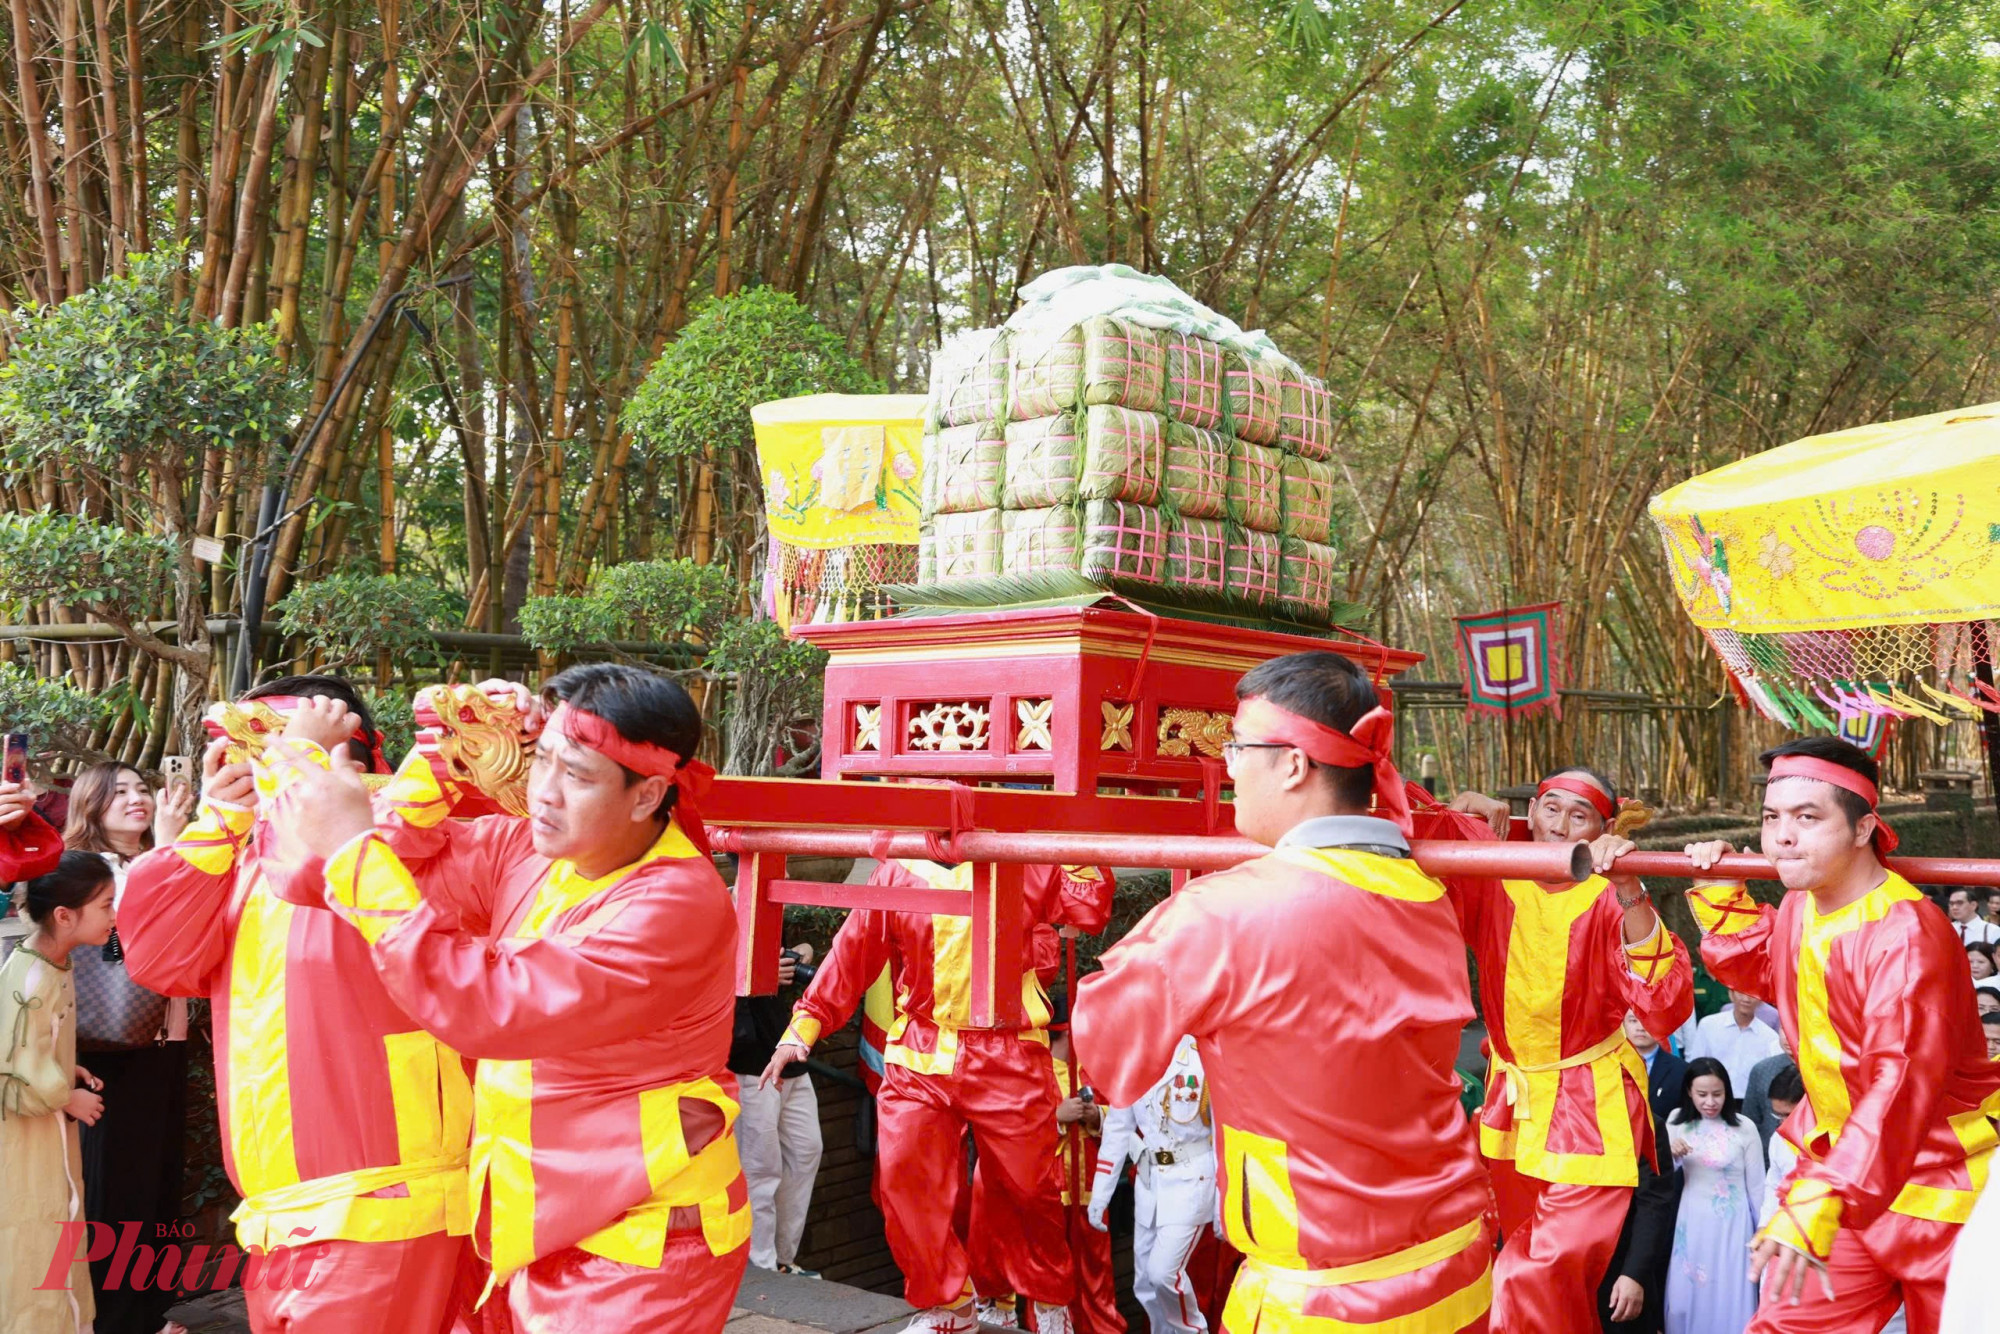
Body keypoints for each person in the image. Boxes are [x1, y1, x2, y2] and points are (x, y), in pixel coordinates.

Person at [276, 666, 752, 1330]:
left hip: (645, 1240)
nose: (544, 793)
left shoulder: (676, 901)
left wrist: (354, 849)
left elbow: (490, 1005)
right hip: (528, 1223)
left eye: (577, 776)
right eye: (542, 761)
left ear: (647, 796)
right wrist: (449, 759)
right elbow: (310, 875)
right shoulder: (529, 851)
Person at [1073, 651, 1495, 1334]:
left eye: (1238, 745)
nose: (1228, 766)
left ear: (1295, 764)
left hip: (1330, 1302)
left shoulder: (1222, 914)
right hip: (1457, 1267)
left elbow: (1108, 1055)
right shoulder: (1423, 893)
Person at [119, 677, 477, 1334]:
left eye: (273, 748)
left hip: (385, 1206)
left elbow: (340, 850)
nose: (261, 770)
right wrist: (217, 822)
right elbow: (161, 961)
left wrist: (307, 770)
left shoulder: (399, 837)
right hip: (280, 1219)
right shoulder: (249, 857)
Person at [1685, 735, 2000, 1332]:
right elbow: (1772, 970)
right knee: (1783, 1324)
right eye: (1772, 818)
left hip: (1943, 1181)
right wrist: (1724, 891)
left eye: (1808, 818)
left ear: (1863, 829)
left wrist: (1820, 1199)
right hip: (1842, 1174)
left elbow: (1898, 1083)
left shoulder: (1907, 933)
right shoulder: (1805, 904)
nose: (1782, 836)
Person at [763, 842, 1113, 1334]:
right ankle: (949, 1304)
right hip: (921, 1046)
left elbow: (1091, 908)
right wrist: (804, 1028)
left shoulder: (1027, 857)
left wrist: (1069, 834)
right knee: (903, 1177)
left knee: (1029, 1190)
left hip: (1009, 1049)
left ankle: (1049, 1300)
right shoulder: (897, 872)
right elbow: (852, 953)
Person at [1441, 769, 1694, 1333]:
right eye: (1550, 810)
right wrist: (1462, 810)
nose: (1559, 826)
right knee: (1539, 1275)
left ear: (1603, 829)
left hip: (1589, 1105)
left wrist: (1630, 889)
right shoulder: (1496, 871)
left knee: (1533, 1274)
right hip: (1512, 1097)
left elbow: (1664, 1006)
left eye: (1578, 817)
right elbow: (1414, 835)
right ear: (1530, 812)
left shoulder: (1610, 897)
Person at [60, 762, 195, 1334]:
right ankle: (115, 1320)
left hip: (166, 1038)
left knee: (157, 1178)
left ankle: (148, 1312)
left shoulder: (157, 859)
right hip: (108, 1047)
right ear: (90, 805)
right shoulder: (84, 870)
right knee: (114, 1188)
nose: (137, 799)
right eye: (118, 793)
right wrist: (168, 851)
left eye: (142, 788)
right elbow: (125, 937)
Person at [1, 852, 113, 1334]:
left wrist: (68, 1068)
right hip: (26, 1139)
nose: (115, 915)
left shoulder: (51, 963)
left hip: (44, 1134)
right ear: (65, 916)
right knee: (33, 1235)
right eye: (107, 905)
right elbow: (12, 1069)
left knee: (55, 1224)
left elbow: (33, 1043)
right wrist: (66, 1096)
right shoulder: (31, 976)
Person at [1088, 1034, 1215, 1334]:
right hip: (1150, 1182)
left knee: (1164, 1274)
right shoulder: (1131, 1059)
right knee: (1144, 1282)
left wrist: (1226, 1197)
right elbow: (1118, 1131)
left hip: (1191, 1179)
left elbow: (1224, 1131)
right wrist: (1100, 1194)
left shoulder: (1202, 1056)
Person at [730, 936, 824, 1277]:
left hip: (787, 1056)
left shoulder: (759, 910)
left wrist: (799, 953)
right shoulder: (710, 911)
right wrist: (749, 972)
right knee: (760, 1169)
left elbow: (798, 948)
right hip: (748, 1064)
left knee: (806, 1151)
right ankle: (762, 1264)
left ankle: (784, 1259)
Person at [1665, 1058, 1764, 1334]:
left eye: (1717, 1094)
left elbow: (1756, 1186)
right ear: (1689, 1092)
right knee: (1686, 1293)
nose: (1710, 1102)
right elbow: (1662, 1173)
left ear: (1727, 1092)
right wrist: (1670, 1152)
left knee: (1731, 1287)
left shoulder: (1744, 1127)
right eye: (1702, 1095)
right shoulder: (1676, 1122)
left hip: (1733, 1224)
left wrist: (1762, 1233)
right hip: (1692, 1218)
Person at [1599, 1035, 1680, 1334]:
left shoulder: (1647, 1125)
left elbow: (1654, 1203)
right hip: (1561, 1268)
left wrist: (1634, 1274)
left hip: (1620, 1270)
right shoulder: (1556, 1120)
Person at [1688, 988, 1785, 1098]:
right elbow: (1695, 1065)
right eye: (1741, 992)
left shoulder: (1770, 1037)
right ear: (1731, 994)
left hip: (1747, 1101)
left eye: (1752, 994)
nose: (1746, 999)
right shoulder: (1708, 1025)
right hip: (1711, 1099)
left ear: (1761, 999)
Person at [1626, 1009, 1690, 1128]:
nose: (1640, 1027)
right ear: (1623, 1024)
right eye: (1633, 1021)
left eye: (1649, 1021)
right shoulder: (1609, 1067)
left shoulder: (1681, 1070)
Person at [1741, 1050, 1801, 1160]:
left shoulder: (1833, 1141)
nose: (1783, 1123)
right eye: (1778, 1115)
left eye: (1789, 1115)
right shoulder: (1778, 1140)